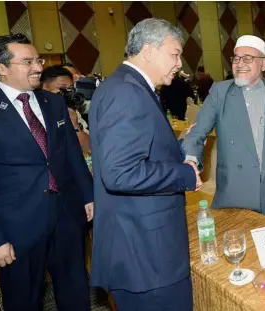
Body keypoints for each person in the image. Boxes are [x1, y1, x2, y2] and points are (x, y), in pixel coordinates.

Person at [89, 18, 201, 310]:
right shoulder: (127, 92)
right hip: (146, 256)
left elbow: (139, 155)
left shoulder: (128, 86)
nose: (179, 63)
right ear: (149, 50)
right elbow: (122, 173)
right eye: (175, 53)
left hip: (143, 246)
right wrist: (185, 174)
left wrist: (178, 148)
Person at [0, 34, 93, 311]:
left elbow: (71, 155)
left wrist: (88, 195)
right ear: (0, 67)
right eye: (27, 61)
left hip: (66, 215)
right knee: (24, 300)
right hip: (16, 228)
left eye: (38, 59)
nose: (38, 67)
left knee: (76, 292)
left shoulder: (52, 103)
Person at [182, 35, 265, 217]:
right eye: (236, 58)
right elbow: (198, 131)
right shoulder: (220, 93)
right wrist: (190, 160)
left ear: (264, 64)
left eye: (248, 58)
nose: (240, 63)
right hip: (234, 194)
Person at [41, 65, 91, 153]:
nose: (67, 93)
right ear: (44, 87)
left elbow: (87, 148)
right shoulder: (35, 113)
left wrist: (75, 126)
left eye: (70, 89)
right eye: (62, 89)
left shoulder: (71, 111)